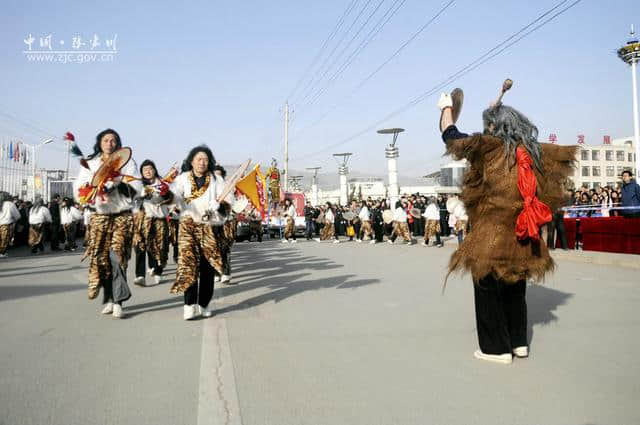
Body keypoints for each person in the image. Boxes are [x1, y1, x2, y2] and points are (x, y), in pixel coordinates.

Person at [437, 87, 575, 364]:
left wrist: (446, 109)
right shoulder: (537, 153)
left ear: (492, 127)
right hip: (524, 233)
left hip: (492, 233)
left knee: (487, 286)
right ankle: (518, 343)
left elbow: (451, 138)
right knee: (515, 287)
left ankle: (496, 349)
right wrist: (495, 111)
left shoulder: (489, 148)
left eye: (487, 125)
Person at [74, 128, 142, 319]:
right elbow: (80, 188)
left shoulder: (127, 163)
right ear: (99, 142)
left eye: (113, 140)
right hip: (100, 217)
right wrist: (93, 190)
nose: (109, 143)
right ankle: (110, 298)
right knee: (102, 259)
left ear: (118, 143)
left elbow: (136, 188)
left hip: (122, 216)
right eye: (106, 140)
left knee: (117, 256)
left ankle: (119, 301)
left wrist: (118, 184)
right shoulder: (91, 163)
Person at [170, 145, 229, 320]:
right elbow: (173, 197)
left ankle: (204, 303)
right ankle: (188, 304)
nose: (202, 163)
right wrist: (166, 195)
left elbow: (227, 201)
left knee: (207, 267)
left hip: (208, 226)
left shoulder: (217, 180)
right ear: (192, 161)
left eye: (205, 159)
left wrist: (219, 206)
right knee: (188, 265)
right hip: (188, 225)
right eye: (198, 159)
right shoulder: (182, 179)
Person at [133, 160, 173, 286]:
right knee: (139, 246)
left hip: (159, 219)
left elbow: (171, 199)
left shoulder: (163, 184)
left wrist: (165, 194)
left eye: (150, 169)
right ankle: (140, 276)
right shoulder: (138, 185)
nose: (148, 172)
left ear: (154, 170)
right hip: (142, 219)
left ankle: (157, 270)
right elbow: (132, 200)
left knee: (159, 246)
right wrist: (141, 195)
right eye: (145, 170)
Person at [0, 192, 20, 258]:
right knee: (4, 239)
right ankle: (2, 253)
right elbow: (17, 216)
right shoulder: (10, 204)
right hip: (6, 224)